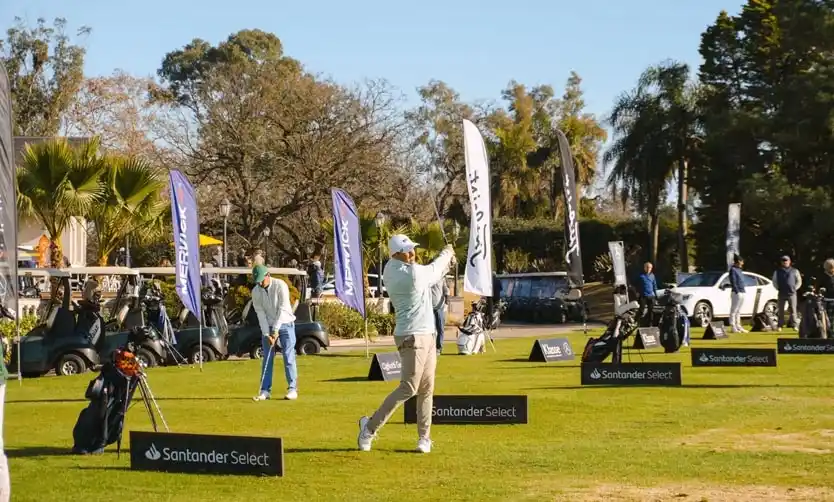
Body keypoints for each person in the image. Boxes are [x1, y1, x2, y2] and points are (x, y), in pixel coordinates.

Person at [357, 235, 455, 454]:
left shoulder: (403, 268)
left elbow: (434, 273)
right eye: (406, 251)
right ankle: (369, 428)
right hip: (412, 335)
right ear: (394, 254)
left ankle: (424, 438)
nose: (412, 254)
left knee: (427, 388)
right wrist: (447, 253)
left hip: (428, 333)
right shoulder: (407, 274)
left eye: (412, 249)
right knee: (409, 387)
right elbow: (432, 271)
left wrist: (446, 264)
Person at [250, 264, 298, 401]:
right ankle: (265, 390)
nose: (260, 283)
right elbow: (260, 314)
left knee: (288, 356)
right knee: (267, 358)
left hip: (286, 323)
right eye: (257, 281)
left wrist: (276, 330)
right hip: (268, 326)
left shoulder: (280, 285)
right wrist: (267, 334)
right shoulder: (256, 291)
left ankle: (292, 389)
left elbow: (283, 309)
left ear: (268, 275)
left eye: (261, 280)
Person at [772, 255, 802, 331]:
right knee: (781, 310)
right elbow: (774, 281)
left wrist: (795, 288)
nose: (785, 262)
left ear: (789, 261)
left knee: (793, 310)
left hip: (792, 293)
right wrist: (778, 288)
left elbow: (799, 281)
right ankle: (780, 325)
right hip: (782, 293)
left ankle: (794, 325)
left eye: (786, 260)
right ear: (781, 262)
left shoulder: (795, 270)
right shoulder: (777, 271)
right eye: (783, 260)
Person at [430, 273, 450, 356]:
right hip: (429, 308)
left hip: (439, 307)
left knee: (440, 329)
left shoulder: (441, 278)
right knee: (431, 330)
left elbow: (446, 290)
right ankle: (431, 348)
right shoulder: (427, 277)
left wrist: (446, 300)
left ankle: (439, 348)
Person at [728, 255, 747, 333]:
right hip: (736, 292)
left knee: (739, 310)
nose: (742, 263)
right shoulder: (733, 270)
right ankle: (733, 326)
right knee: (734, 310)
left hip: (742, 291)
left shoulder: (739, 270)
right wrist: (737, 290)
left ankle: (738, 326)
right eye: (741, 261)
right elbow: (733, 281)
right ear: (738, 261)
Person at [637, 262, 658, 326]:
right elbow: (636, 285)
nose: (648, 269)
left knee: (651, 311)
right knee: (641, 310)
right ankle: (637, 322)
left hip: (651, 296)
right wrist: (637, 292)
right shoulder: (641, 276)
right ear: (644, 268)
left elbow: (654, 285)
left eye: (650, 267)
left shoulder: (652, 276)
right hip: (643, 296)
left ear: (651, 268)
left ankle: (650, 324)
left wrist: (656, 295)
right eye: (647, 267)